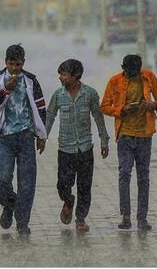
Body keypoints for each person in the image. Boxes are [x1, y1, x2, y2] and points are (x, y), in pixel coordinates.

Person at [0, 44, 47, 236]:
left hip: (26, 136)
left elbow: (40, 109)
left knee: (27, 182)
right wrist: (5, 90)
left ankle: (22, 222)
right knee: (3, 178)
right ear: (6, 62)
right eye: (11, 64)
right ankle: (9, 204)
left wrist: (41, 135)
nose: (14, 68)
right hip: (5, 136)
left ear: (23, 63)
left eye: (18, 64)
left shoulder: (31, 80)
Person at [100, 54, 157, 231]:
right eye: (129, 73)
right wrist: (121, 110)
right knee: (124, 173)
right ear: (123, 69)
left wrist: (153, 106)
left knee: (143, 177)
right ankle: (126, 216)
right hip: (125, 135)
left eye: (135, 73)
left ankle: (142, 218)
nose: (132, 76)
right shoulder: (114, 81)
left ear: (140, 69)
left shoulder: (149, 77)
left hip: (145, 135)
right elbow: (104, 106)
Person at [42, 59, 110, 232]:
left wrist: (104, 140)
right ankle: (68, 200)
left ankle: (81, 218)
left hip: (85, 148)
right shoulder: (58, 95)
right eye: (60, 74)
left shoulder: (90, 94)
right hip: (65, 148)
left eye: (64, 74)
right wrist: (43, 137)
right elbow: (50, 116)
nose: (60, 78)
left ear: (76, 76)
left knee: (85, 186)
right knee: (63, 184)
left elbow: (98, 117)